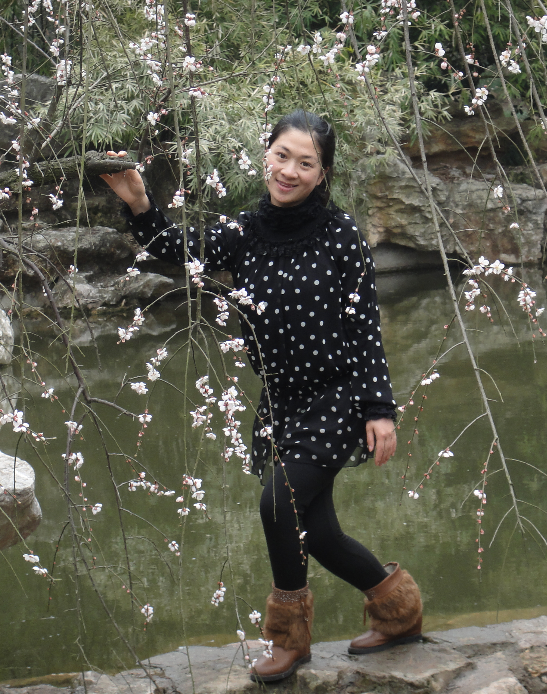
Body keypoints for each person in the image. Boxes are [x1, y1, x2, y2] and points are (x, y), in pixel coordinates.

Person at [101, 109, 422, 684]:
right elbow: (178, 247)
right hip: (281, 402)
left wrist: (379, 410)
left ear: (322, 174)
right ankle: (398, 611)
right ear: (266, 155)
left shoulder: (340, 234)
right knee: (318, 531)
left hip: (337, 398)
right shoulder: (245, 232)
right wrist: (140, 203)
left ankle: (289, 638)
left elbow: (365, 327)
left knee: (278, 504)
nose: (289, 171)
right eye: (282, 156)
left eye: (306, 163)